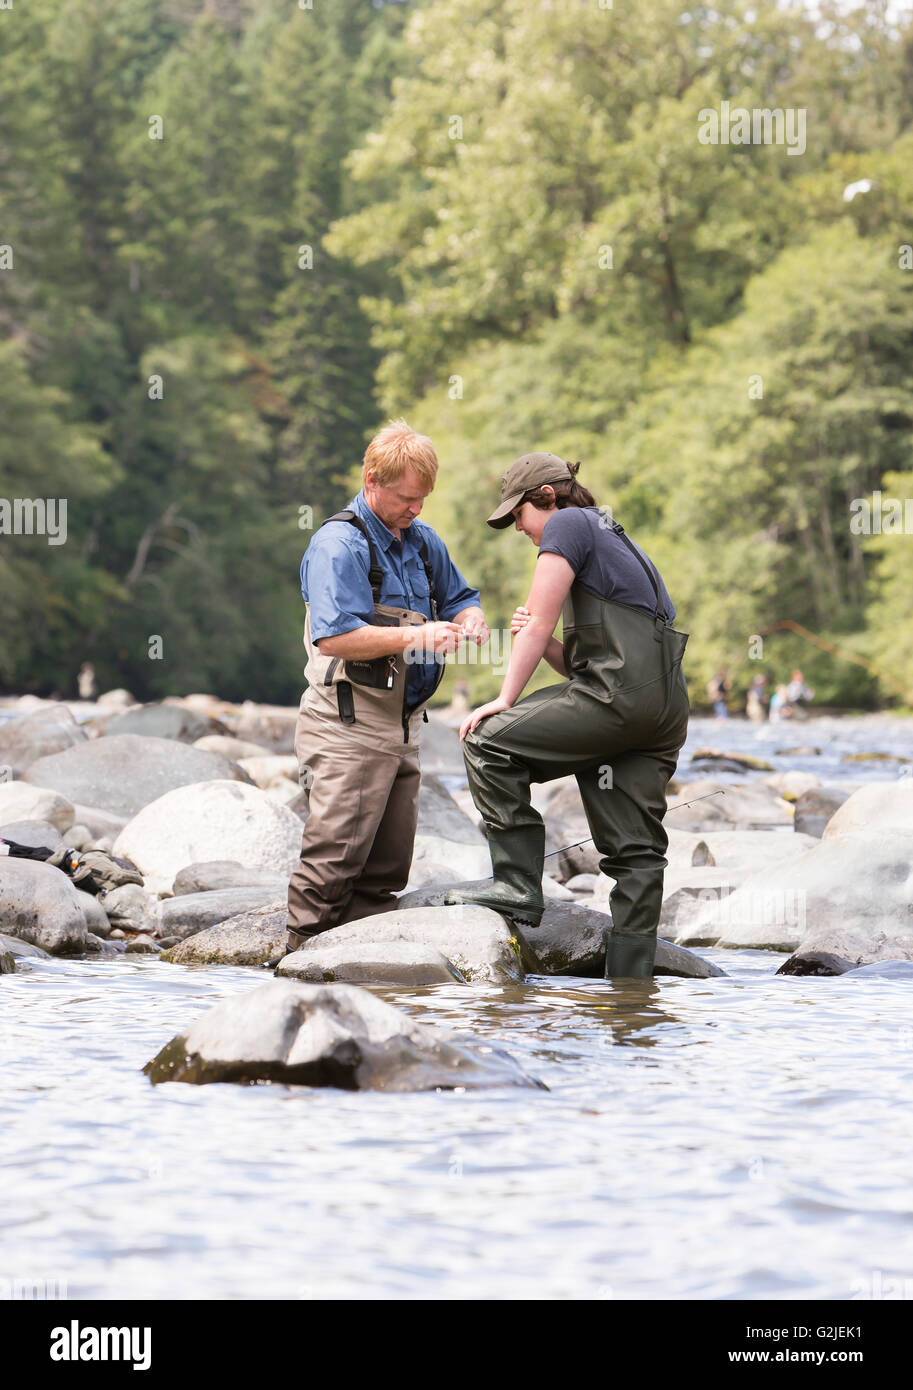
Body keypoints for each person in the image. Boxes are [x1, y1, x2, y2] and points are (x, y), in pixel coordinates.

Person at [444, 452, 690, 980]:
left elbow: (536, 628)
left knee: (487, 740)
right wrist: (547, 642)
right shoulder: (607, 533)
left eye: (519, 516)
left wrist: (504, 699)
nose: (520, 529)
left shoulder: (568, 525)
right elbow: (584, 662)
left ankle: (515, 884)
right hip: (659, 710)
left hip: (618, 701)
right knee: (636, 854)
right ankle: (630, 992)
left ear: (548, 498)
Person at [285, 420, 489, 953]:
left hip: (405, 725)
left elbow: (462, 594)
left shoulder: (422, 541)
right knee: (334, 857)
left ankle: (365, 972)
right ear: (372, 480)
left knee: (387, 868)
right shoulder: (339, 545)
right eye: (405, 499)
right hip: (346, 723)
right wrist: (418, 635)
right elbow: (334, 638)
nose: (415, 509)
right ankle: (299, 959)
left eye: (422, 499)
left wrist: (471, 619)